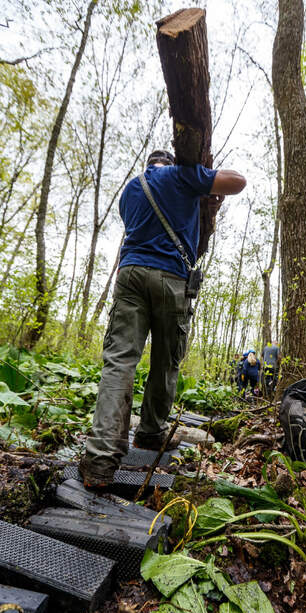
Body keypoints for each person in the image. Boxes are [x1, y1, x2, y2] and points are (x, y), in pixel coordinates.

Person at [79, 149, 246, 488]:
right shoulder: (179, 176)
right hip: (171, 278)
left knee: (120, 362)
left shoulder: (130, 190)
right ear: (170, 163)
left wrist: (203, 203)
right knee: (166, 361)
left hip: (129, 273)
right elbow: (238, 182)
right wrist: (199, 180)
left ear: (148, 165)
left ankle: (99, 460)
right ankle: (151, 432)